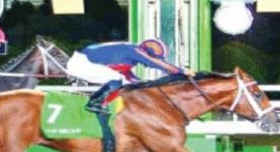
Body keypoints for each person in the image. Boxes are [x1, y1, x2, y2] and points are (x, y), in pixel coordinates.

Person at [67, 39, 195, 114]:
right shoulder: (135, 51)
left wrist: (144, 84)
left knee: (122, 80)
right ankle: (95, 103)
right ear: (147, 52)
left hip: (83, 59)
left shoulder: (130, 51)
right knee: (115, 79)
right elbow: (156, 63)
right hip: (81, 63)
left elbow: (129, 78)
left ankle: (103, 103)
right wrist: (182, 71)